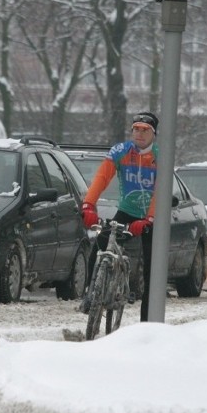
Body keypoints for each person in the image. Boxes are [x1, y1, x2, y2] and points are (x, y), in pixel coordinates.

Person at [81, 111, 159, 322]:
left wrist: (149, 220)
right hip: (127, 211)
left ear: (154, 134)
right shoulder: (121, 151)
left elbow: (160, 192)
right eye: (136, 129)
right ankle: (92, 293)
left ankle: (147, 322)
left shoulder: (161, 155)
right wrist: (89, 204)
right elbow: (102, 177)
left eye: (145, 130)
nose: (139, 134)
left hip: (153, 216)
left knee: (153, 269)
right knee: (100, 243)